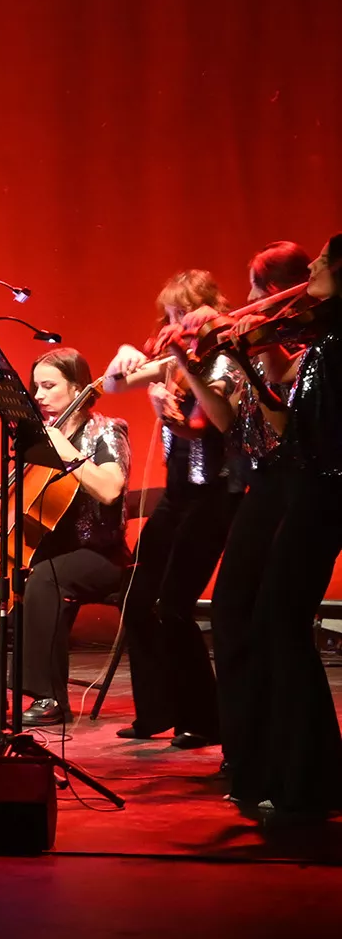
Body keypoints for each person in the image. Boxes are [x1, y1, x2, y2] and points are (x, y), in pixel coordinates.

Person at [0, 348, 132, 726]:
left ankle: (49, 698)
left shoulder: (105, 429)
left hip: (98, 553)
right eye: (36, 387)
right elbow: (28, 490)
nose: (39, 396)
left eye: (49, 386)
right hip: (48, 545)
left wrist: (71, 455)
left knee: (44, 578)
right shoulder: (46, 435)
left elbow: (111, 489)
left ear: (77, 387)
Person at [101, 271, 243, 748]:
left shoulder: (223, 361)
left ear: (208, 311)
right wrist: (124, 352)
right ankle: (157, 711)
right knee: (137, 600)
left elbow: (201, 430)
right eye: (171, 314)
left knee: (173, 606)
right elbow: (113, 384)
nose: (176, 323)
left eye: (184, 313)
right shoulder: (175, 362)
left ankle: (204, 719)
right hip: (178, 497)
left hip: (214, 497)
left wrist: (166, 412)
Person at [231, 233, 342, 825]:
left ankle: (310, 779)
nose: (316, 267)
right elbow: (285, 423)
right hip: (310, 490)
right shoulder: (321, 338)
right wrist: (249, 358)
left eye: (326, 260)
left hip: (324, 494)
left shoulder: (330, 340)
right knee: (278, 623)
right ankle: (308, 774)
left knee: (279, 622)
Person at [209, 243, 313, 797]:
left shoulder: (308, 344)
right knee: (236, 616)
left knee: (262, 621)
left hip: (289, 486)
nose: (245, 299)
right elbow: (238, 421)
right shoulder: (276, 342)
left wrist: (253, 349)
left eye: (254, 288)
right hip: (264, 482)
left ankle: (277, 761)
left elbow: (284, 418)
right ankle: (248, 754)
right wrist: (190, 356)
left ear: (274, 291)